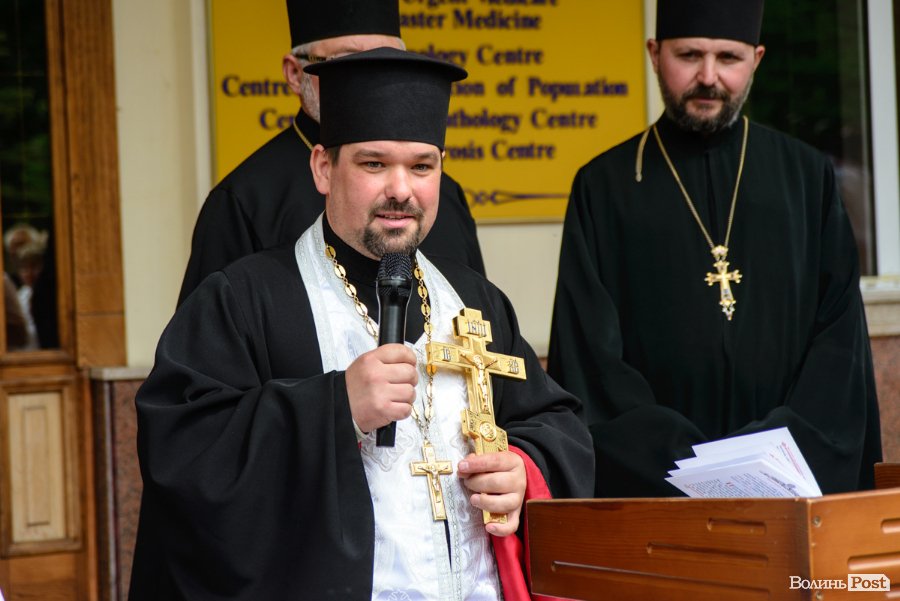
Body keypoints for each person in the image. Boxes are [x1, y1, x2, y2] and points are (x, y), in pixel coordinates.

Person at [129, 47, 593, 600]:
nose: (401, 189)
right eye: (374, 164)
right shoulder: (244, 299)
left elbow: (555, 423)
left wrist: (521, 470)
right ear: (323, 169)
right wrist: (334, 407)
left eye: (422, 166)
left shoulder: (474, 300)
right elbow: (183, 453)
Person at [547, 0, 880, 498]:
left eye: (728, 58)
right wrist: (684, 459)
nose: (708, 77)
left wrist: (769, 450)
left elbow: (839, 340)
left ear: (757, 59)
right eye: (689, 55)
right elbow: (589, 357)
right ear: (655, 53)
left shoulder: (807, 178)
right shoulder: (603, 187)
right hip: (656, 486)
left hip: (790, 475)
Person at [177, 0, 485, 306]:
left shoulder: (444, 196)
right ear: (295, 73)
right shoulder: (244, 200)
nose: (373, 76)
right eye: (347, 61)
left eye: (387, 57)